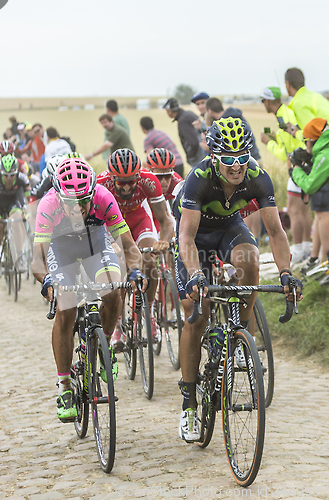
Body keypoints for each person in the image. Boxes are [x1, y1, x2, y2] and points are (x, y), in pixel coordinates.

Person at [173, 117, 302, 442]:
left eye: (242, 156)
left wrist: (286, 273)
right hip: (196, 237)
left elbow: (275, 231)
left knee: (250, 260)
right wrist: (195, 276)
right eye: (228, 158)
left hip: (229, 229)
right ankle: (189, 404)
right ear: (214, 156)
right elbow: (186, 238)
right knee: (195, 311)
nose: (236, 165)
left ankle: (241, 331)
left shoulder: (257, 176)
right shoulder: (198, 179)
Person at [31, 157, 146, 422]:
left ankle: (104, 344)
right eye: (71, 202)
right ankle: (65, 387)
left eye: (84, 200)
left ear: (93, 192)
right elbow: (38, 259)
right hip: (62, 248)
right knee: (66, 304)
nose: (78, 207)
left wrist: (136, 271)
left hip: (95, 241)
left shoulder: (104, 197)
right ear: (59, 196)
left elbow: (128, 246)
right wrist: (47, 280)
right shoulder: (48, 204)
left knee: (114, 290)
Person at [97, 149, 174, 349]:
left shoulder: (149, 181)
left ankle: (148, 314)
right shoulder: (100, 184)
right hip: (110, 224)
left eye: (131, 181)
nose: (126, 186)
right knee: (120, 267)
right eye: (120, 182)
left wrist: (163, 242)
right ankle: (117, 324)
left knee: (148, 261)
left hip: (138, 219)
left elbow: (166, 221)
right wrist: (109, 244)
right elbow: (94, 223)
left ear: (138, 176)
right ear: (111, 177)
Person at [260, 86, 312, 262]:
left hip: (298, 167)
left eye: (262, 101)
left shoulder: (283, 116)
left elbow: (286, 153)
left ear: (267, 101)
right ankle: (306, 248)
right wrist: (275, 138)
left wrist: (268, 143)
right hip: (305, 165)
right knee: (303, 210)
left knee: (294, 210)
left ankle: (297, 251)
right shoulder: (287, 112)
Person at [206, 97, 263, 240]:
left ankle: (247, 236)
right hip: (253, 159)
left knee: (243, 202)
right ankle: (254, 237)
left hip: (243, 163)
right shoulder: (238, 118)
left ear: (210, 112)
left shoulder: (225, 124)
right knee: (253, 201)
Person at [0, 154, 30, 279]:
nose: (9, 178)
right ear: (1, 173)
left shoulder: (22, 179)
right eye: (6, 176)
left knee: (17, 221)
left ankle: (20, 256)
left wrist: (27, 213)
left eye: (12, 175)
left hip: (12, 203)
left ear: (16, 173)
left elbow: (28, 199)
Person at [291, 118, 329, 270]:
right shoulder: (324, 150)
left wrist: (296, 170)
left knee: (322, 211)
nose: (305, 145)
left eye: (305, 141)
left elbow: (310, 186)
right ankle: (317, 259)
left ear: (313, 141)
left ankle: (326, 262)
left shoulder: (325, 155)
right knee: (320, 215)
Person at [285, 68, 329, 140]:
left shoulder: (299, 103)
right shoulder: (316, 96)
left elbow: (311, 136)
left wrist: (296, 133)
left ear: (287, 84)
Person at [163, 98, 205, 168]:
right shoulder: (188, 114)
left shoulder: (182, 121)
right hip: (204, 153)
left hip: (198, 158)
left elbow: (193, 142)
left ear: (170, 110)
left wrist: (190, 157)